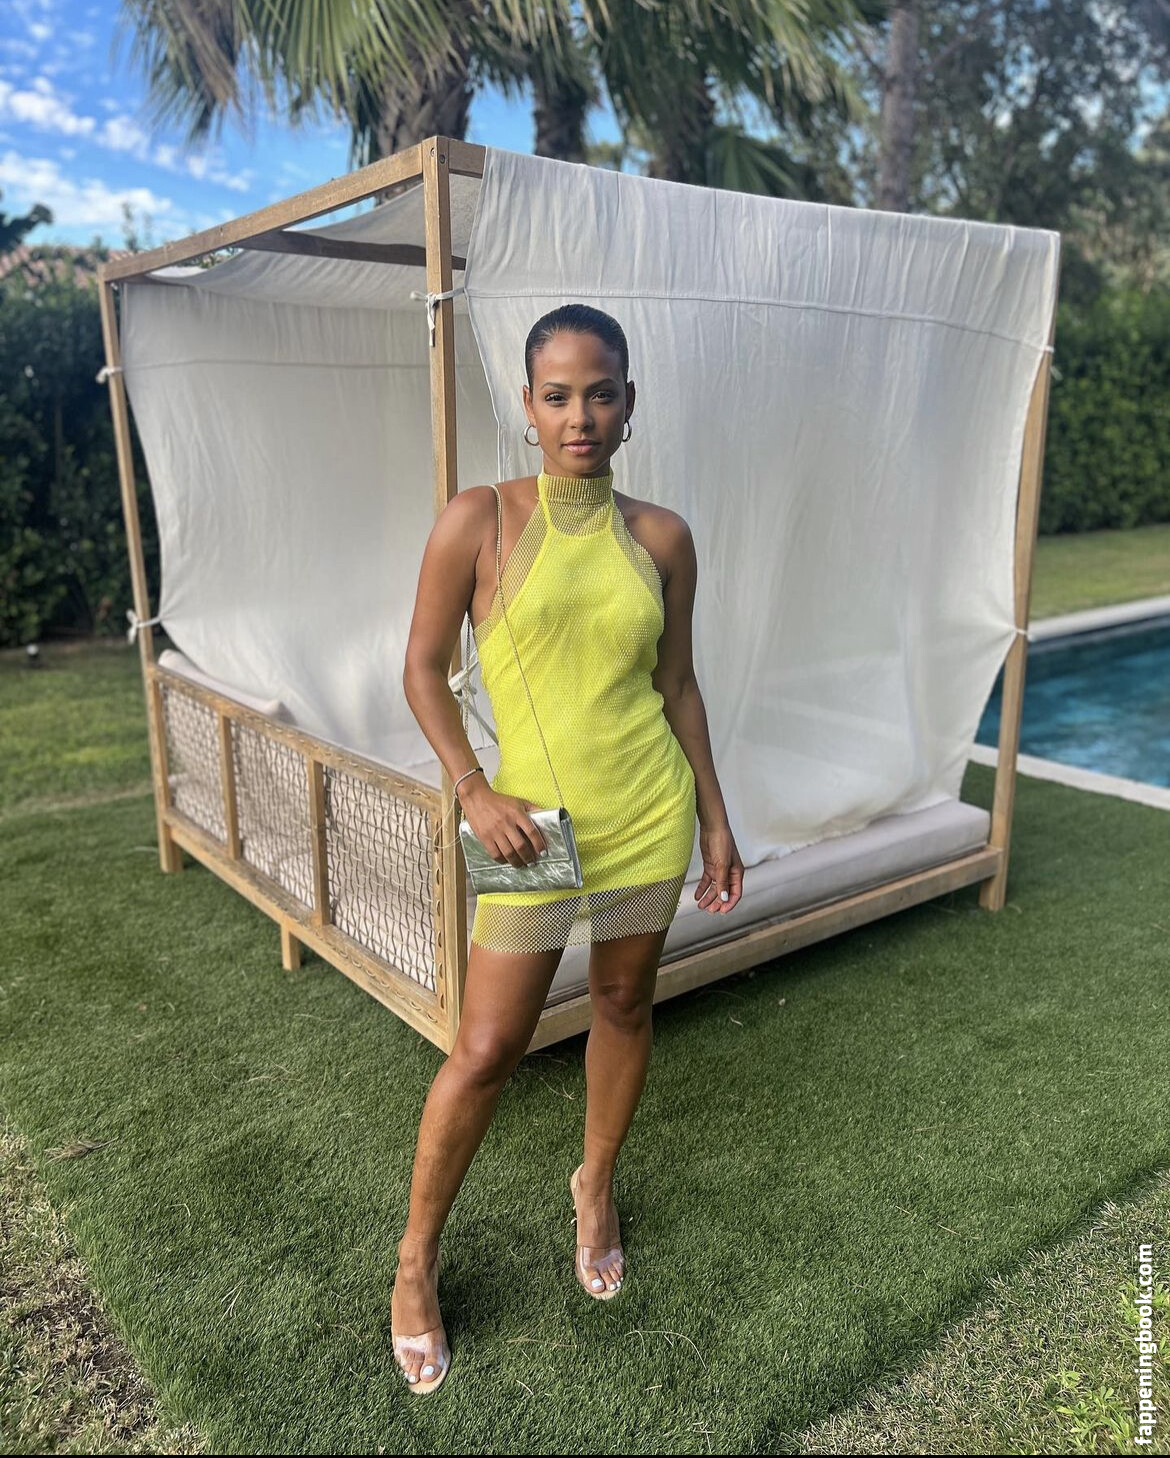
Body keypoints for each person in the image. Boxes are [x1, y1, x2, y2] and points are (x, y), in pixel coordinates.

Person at [391, 303, 745, 1393]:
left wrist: (715, 816)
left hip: (646, 812)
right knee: (487, 1046)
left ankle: (594, 1185)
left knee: (625, 1004)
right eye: (558, 396)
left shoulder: (662, 538)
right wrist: (474, 788)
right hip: (530, 829)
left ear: (629, 405)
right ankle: (415, 1261)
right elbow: (420, 668)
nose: (580, 415)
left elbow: (676, 685)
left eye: (600, 394)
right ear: (529, 407)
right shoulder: (482, 520)